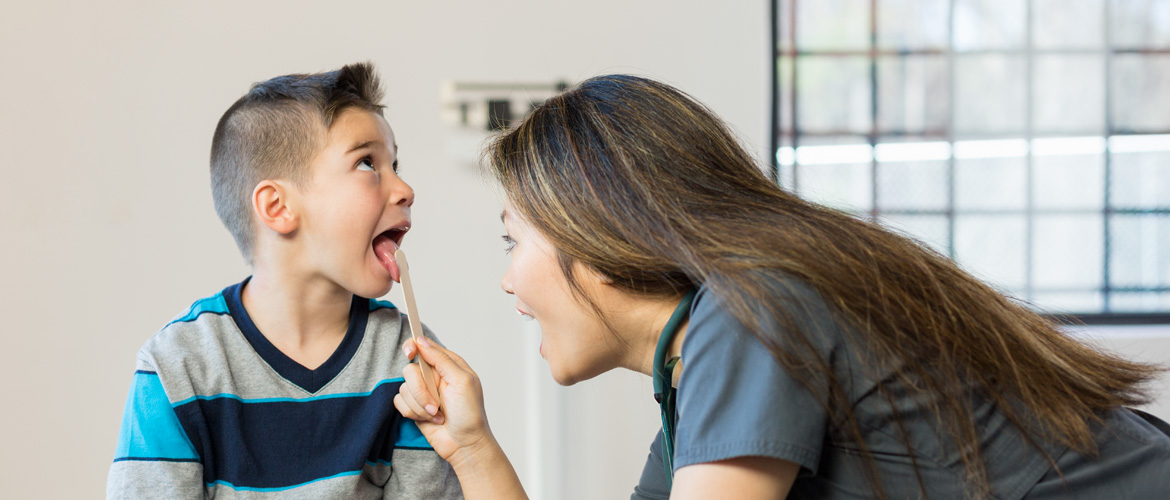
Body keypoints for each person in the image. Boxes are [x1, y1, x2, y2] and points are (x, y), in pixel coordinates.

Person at [394, 74, 1170, 499]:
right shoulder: (702, 373)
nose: (505, 280)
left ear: (598, 232)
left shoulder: (751, 312)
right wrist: (472, 447)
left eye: (513, 240)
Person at [107, 62, 463, 499]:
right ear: (277, 207)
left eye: (395, 164)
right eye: (368, 162)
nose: (404, 188)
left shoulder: (406, 359)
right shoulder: (177, 369)